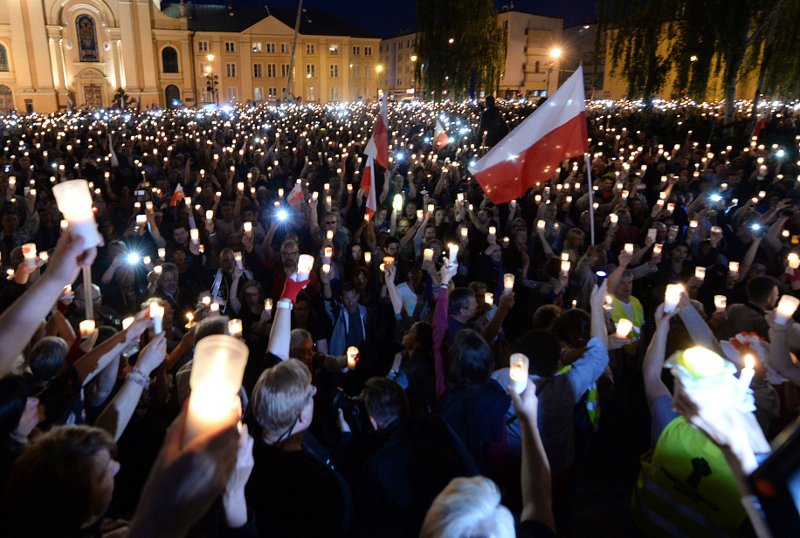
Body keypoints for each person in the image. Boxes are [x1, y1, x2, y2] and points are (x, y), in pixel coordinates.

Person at [247, 359, 350, 537]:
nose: (315, 390)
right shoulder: (313, 487)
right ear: (303, 416)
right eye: (309, 395)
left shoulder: (255, 431)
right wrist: (346, 440)